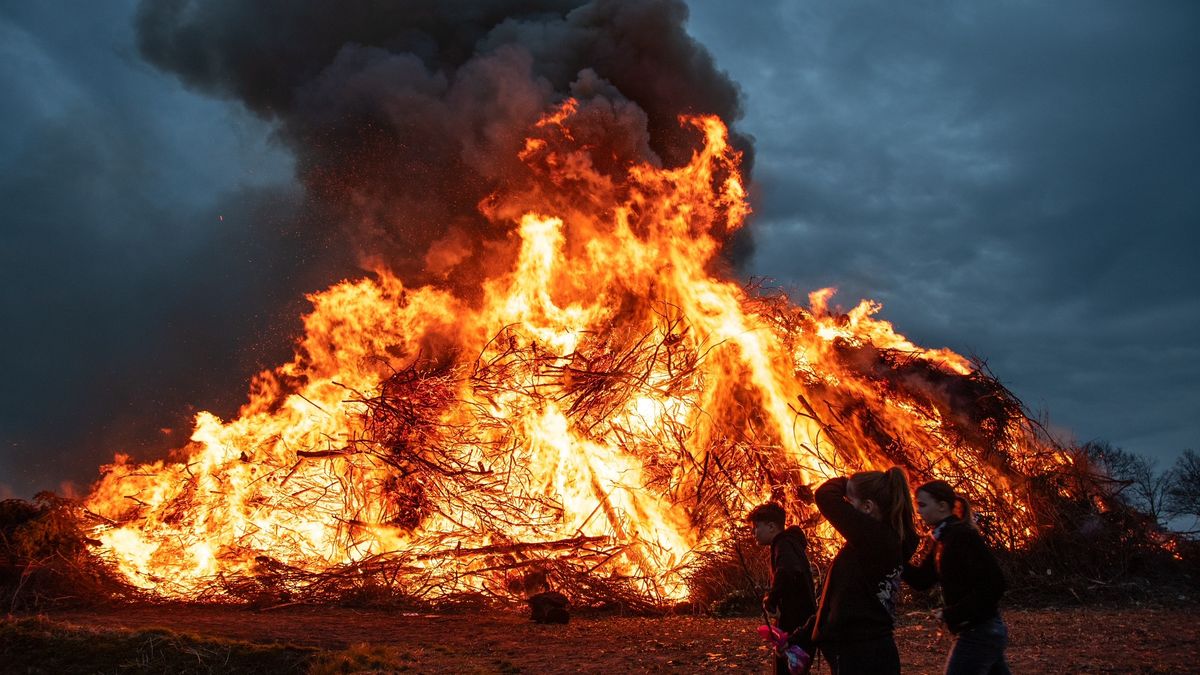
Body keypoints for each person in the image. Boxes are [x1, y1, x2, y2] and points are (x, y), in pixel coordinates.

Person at [792, 468, 919, 675]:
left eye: (851, 503)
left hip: (859, 653)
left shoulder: (875, 539)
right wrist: (798, 639)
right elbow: (841, 599)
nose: (847, 510)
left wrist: (848, 482)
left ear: (868, 507)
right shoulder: (880, 542)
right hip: (870, 649)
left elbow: (824, 495)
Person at [903, 480, 1010, 674]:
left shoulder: (962, 536)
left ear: (942, 506)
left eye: (923, 505)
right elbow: (922, 580)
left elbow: (995, 584)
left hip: (979, 631)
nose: (919, 511)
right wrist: (892, 557)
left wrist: (953, 613)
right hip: (980, 630)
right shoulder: (943, 538)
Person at [748, 502, 816, 675]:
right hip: (802, 622)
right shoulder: (791, 543)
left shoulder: (783, 544)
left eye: (756, 527)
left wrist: (772, 600)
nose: (753, 532)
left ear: (771, 527)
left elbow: (787, 570)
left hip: (795, 625)